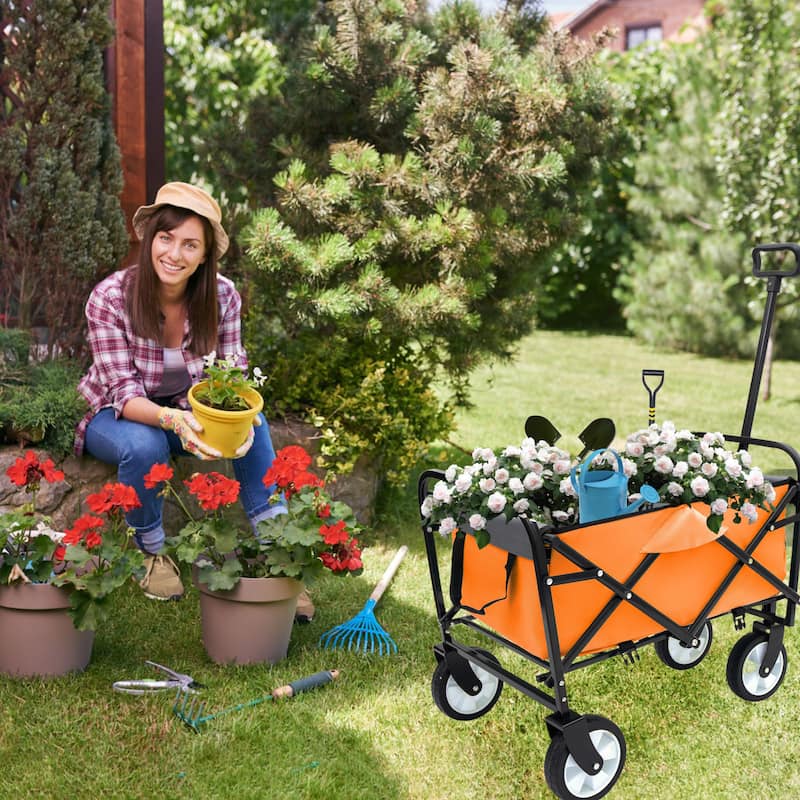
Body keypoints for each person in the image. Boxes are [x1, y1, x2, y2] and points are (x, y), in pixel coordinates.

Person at [74, 182, 314, 620]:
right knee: (145, 444)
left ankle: (278, 554)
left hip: (188, 412)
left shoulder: (222, 296)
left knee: (254, 424)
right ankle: (151, 552)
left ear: (205, 255)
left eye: (190, 244)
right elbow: (124, 393)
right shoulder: (110, 297)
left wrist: (237, 423)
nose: (174, 254)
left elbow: (233, 375)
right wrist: (173, 420)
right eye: (166, 238)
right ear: (150, 239)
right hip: (113, 414)